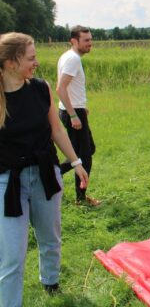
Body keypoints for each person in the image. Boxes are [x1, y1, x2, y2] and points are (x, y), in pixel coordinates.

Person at [0, 32, 89, 305]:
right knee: (12, 256)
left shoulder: (41, 88)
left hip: (45, 174)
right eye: (31, 58)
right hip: (8, 182)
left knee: (50, 237)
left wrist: (76, 162)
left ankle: (50, 282)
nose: (36, 62)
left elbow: (56, 130)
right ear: (11, 63)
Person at [56, 25, 100, 206]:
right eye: (86, 40)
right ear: (74, 41)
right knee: (85, 156)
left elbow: (69, 88)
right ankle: (80, 199)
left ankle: (54, 173)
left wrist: (80, 108)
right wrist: (74, 115)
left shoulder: (69, 56)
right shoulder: (72, 59)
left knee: (86, 150)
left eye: (90, 39)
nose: (90, 43)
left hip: (75, 109)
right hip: (72, 112)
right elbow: (60, 88)